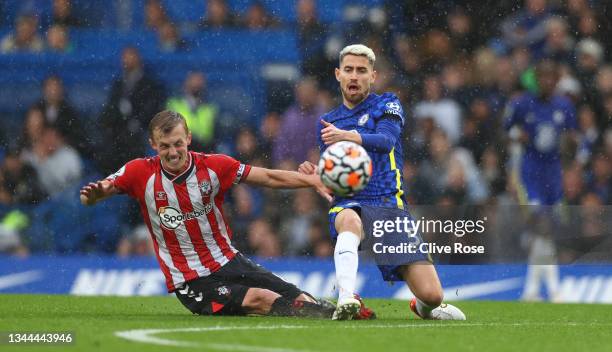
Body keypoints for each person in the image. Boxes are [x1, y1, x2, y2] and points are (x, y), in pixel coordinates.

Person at [80, 110, 335, 318]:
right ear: (153, 144)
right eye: (165, 146)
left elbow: (267, 176)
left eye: (178, 143)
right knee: (262, 298)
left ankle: (336, 314)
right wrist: (93, 196)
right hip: (192, 281)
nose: (173, 152)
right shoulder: (139, 172)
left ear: (189, 138)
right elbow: (97, 191)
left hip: (228, 260)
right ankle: (322, 316)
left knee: (300, 297)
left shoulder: (214, 166)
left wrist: (310, 180)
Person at [298, 44, 466, 320]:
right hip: (350, 202)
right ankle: (347, 297)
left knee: (433, 296)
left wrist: (349, 135)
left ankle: (421, 305)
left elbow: (386, 141)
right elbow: (339, 170)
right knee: (349, 221)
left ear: (373, 76)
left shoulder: (387, 104)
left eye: (361, 71)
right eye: (349, 70)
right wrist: (319, 176)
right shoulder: (327, 123)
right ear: (338, 74)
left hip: (388, 204)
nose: (354, 76)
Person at [504, 59, 577, 301]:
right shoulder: (522, 103)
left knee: (545, 231)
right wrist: (517, 135)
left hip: (553, 174)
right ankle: (554, 289)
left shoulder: (565, 106)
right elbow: (504, 130)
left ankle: (532, 290)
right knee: (541, 224)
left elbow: (573, 139)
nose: (546, 81)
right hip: (530, 173)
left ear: (557, 80)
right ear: (536, 79)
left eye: (551, 77)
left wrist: (572, 157)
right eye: (542, 77)